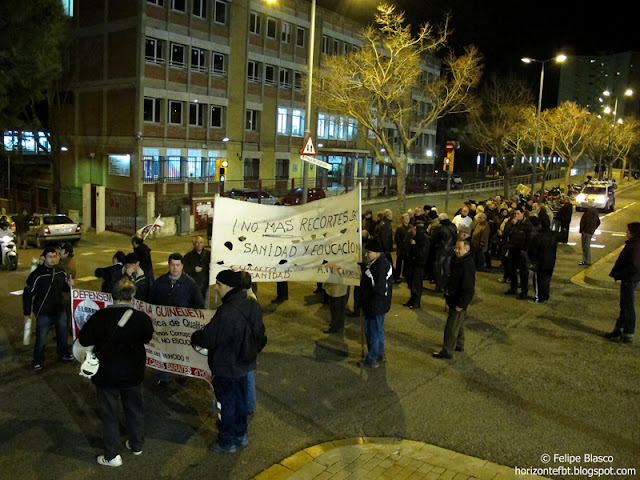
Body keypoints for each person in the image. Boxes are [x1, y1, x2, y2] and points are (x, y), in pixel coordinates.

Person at [78, 279, 154, 467]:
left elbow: (84, 339)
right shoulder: (141, 318)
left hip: (106, 374)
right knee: (134, 409)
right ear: (132, 296)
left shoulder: (99, 317)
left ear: (112, 295)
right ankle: (136, 445)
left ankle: (112, 456)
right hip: (133, 373)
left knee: (109, 414)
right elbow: (147, 337)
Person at [191, 270, 266, 454]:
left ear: (230, 287)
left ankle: (226, 442)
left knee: (226, 404)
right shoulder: (253, 305)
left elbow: (209, 338)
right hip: (245, 364)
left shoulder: (226, 312)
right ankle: (241, 435)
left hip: (226, 366)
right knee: (241, 401)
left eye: (219, 285)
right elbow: (261, 335)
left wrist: (196, 336)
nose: (216, 289)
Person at [150, 253, 205, 386]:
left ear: (182, 266)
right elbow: (151, 302)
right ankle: (164, 376)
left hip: (182, 327)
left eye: (178, 265)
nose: (175, 268)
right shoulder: (160, 282)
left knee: (181, 351)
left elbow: (198, 305)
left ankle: (182, 373)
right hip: (164, 326)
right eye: (173, 265)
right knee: (163, 351)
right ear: (169, 265)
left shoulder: (190, 284)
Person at [23, 247, 75, 370]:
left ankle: (63, 354)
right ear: (44, 258)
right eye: (50, 257)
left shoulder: (60, 271)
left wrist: (69, 285)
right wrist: (27, 312)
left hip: (59, 309)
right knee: (41, 337)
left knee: (62, 334)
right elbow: (28, 293)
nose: (53, 259)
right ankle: (37, 360)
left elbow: (64, 288)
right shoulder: (37, 274)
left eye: (54, 256)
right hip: (43, 311)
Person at [433, 240, 475, 360]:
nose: (456, 250)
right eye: (456, 248)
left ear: (466, 250)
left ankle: (447, 350)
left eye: (459, 249)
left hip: (458, 300)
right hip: (454, 298)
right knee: (459, 322)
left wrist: (461, 303)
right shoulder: (459, 261)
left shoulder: (466, 264)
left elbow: (468, 287)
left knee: (451, 326)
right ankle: (459, 344)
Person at [356, 237, 393, 368]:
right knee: (378, 330)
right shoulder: (380, 263)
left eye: (368, 252)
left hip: (375, 306)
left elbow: (379, 289)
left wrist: (368, 304)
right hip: (379, 305)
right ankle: (379, 353)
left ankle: (371, 359)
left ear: (377, 252)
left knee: (372, 332)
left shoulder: (380, 267)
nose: (366, 254)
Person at [606, 222, 640, 344]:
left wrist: (622, 274)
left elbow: (634, 265)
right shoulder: (634, 244)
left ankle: (628, 333)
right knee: (624, 305)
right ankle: (618, 329)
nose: (626, 233)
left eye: (628, 231)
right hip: (629, 278)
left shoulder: (635, 245)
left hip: (629, 279)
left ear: (633, 232)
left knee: (628, 306)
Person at [527, 217, 558, 304]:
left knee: (539, 280)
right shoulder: (553, 235)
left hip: (540, 261)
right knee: (547, 279)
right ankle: (545, 296)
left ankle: (539, 298)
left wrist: (532, 259)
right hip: (551, 261)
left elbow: (533, 250)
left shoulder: (538, 236)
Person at [404, 223, 429, 309]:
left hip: (419, 266)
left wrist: (414, 246)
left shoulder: (424, 241)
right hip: (412, 265)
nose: (413, 231)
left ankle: (416, 302)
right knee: (411, 283)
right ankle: (412, 299)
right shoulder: (415, 239)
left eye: (415, 229)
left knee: (416, 284)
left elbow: (421, 254)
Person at [430, 213, 458, 293]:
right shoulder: (453, 226)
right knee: (447, 267)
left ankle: (439, 286)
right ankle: (445, 284)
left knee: (438, 267)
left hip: (441, 249)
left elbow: (434, 238)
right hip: (450, 248)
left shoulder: (439, 227)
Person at [184, 236, 211, 303]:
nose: (199, 245)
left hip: (205, 282)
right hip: (193, 282)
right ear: (194, 244)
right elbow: (184, 268)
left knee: (203, 299)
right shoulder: (188, 256)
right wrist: (193, 269)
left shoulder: (209, 254)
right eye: (197, 243)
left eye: (201, 243)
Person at [579, 200, 600, 266]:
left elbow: (587, 221)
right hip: (590, 231)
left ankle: (586, 261)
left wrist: (585, 229)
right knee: (586, 246)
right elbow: (598, 222)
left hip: (587, 231)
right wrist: (594, 228)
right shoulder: (595, 211)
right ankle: (586, 260)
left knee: (586, 246)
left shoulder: (590, 212)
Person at [393, 213, 412, 283]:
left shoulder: (411, 227)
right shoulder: (400, 228)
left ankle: (405, 275)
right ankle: (397, 276)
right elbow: (397, 239)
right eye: (406, 218)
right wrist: (400, 246)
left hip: (408, 249)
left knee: (407, 263)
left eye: (409, 218)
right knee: (399, 263)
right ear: (403, 219)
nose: (408, 220)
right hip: (401, 249)